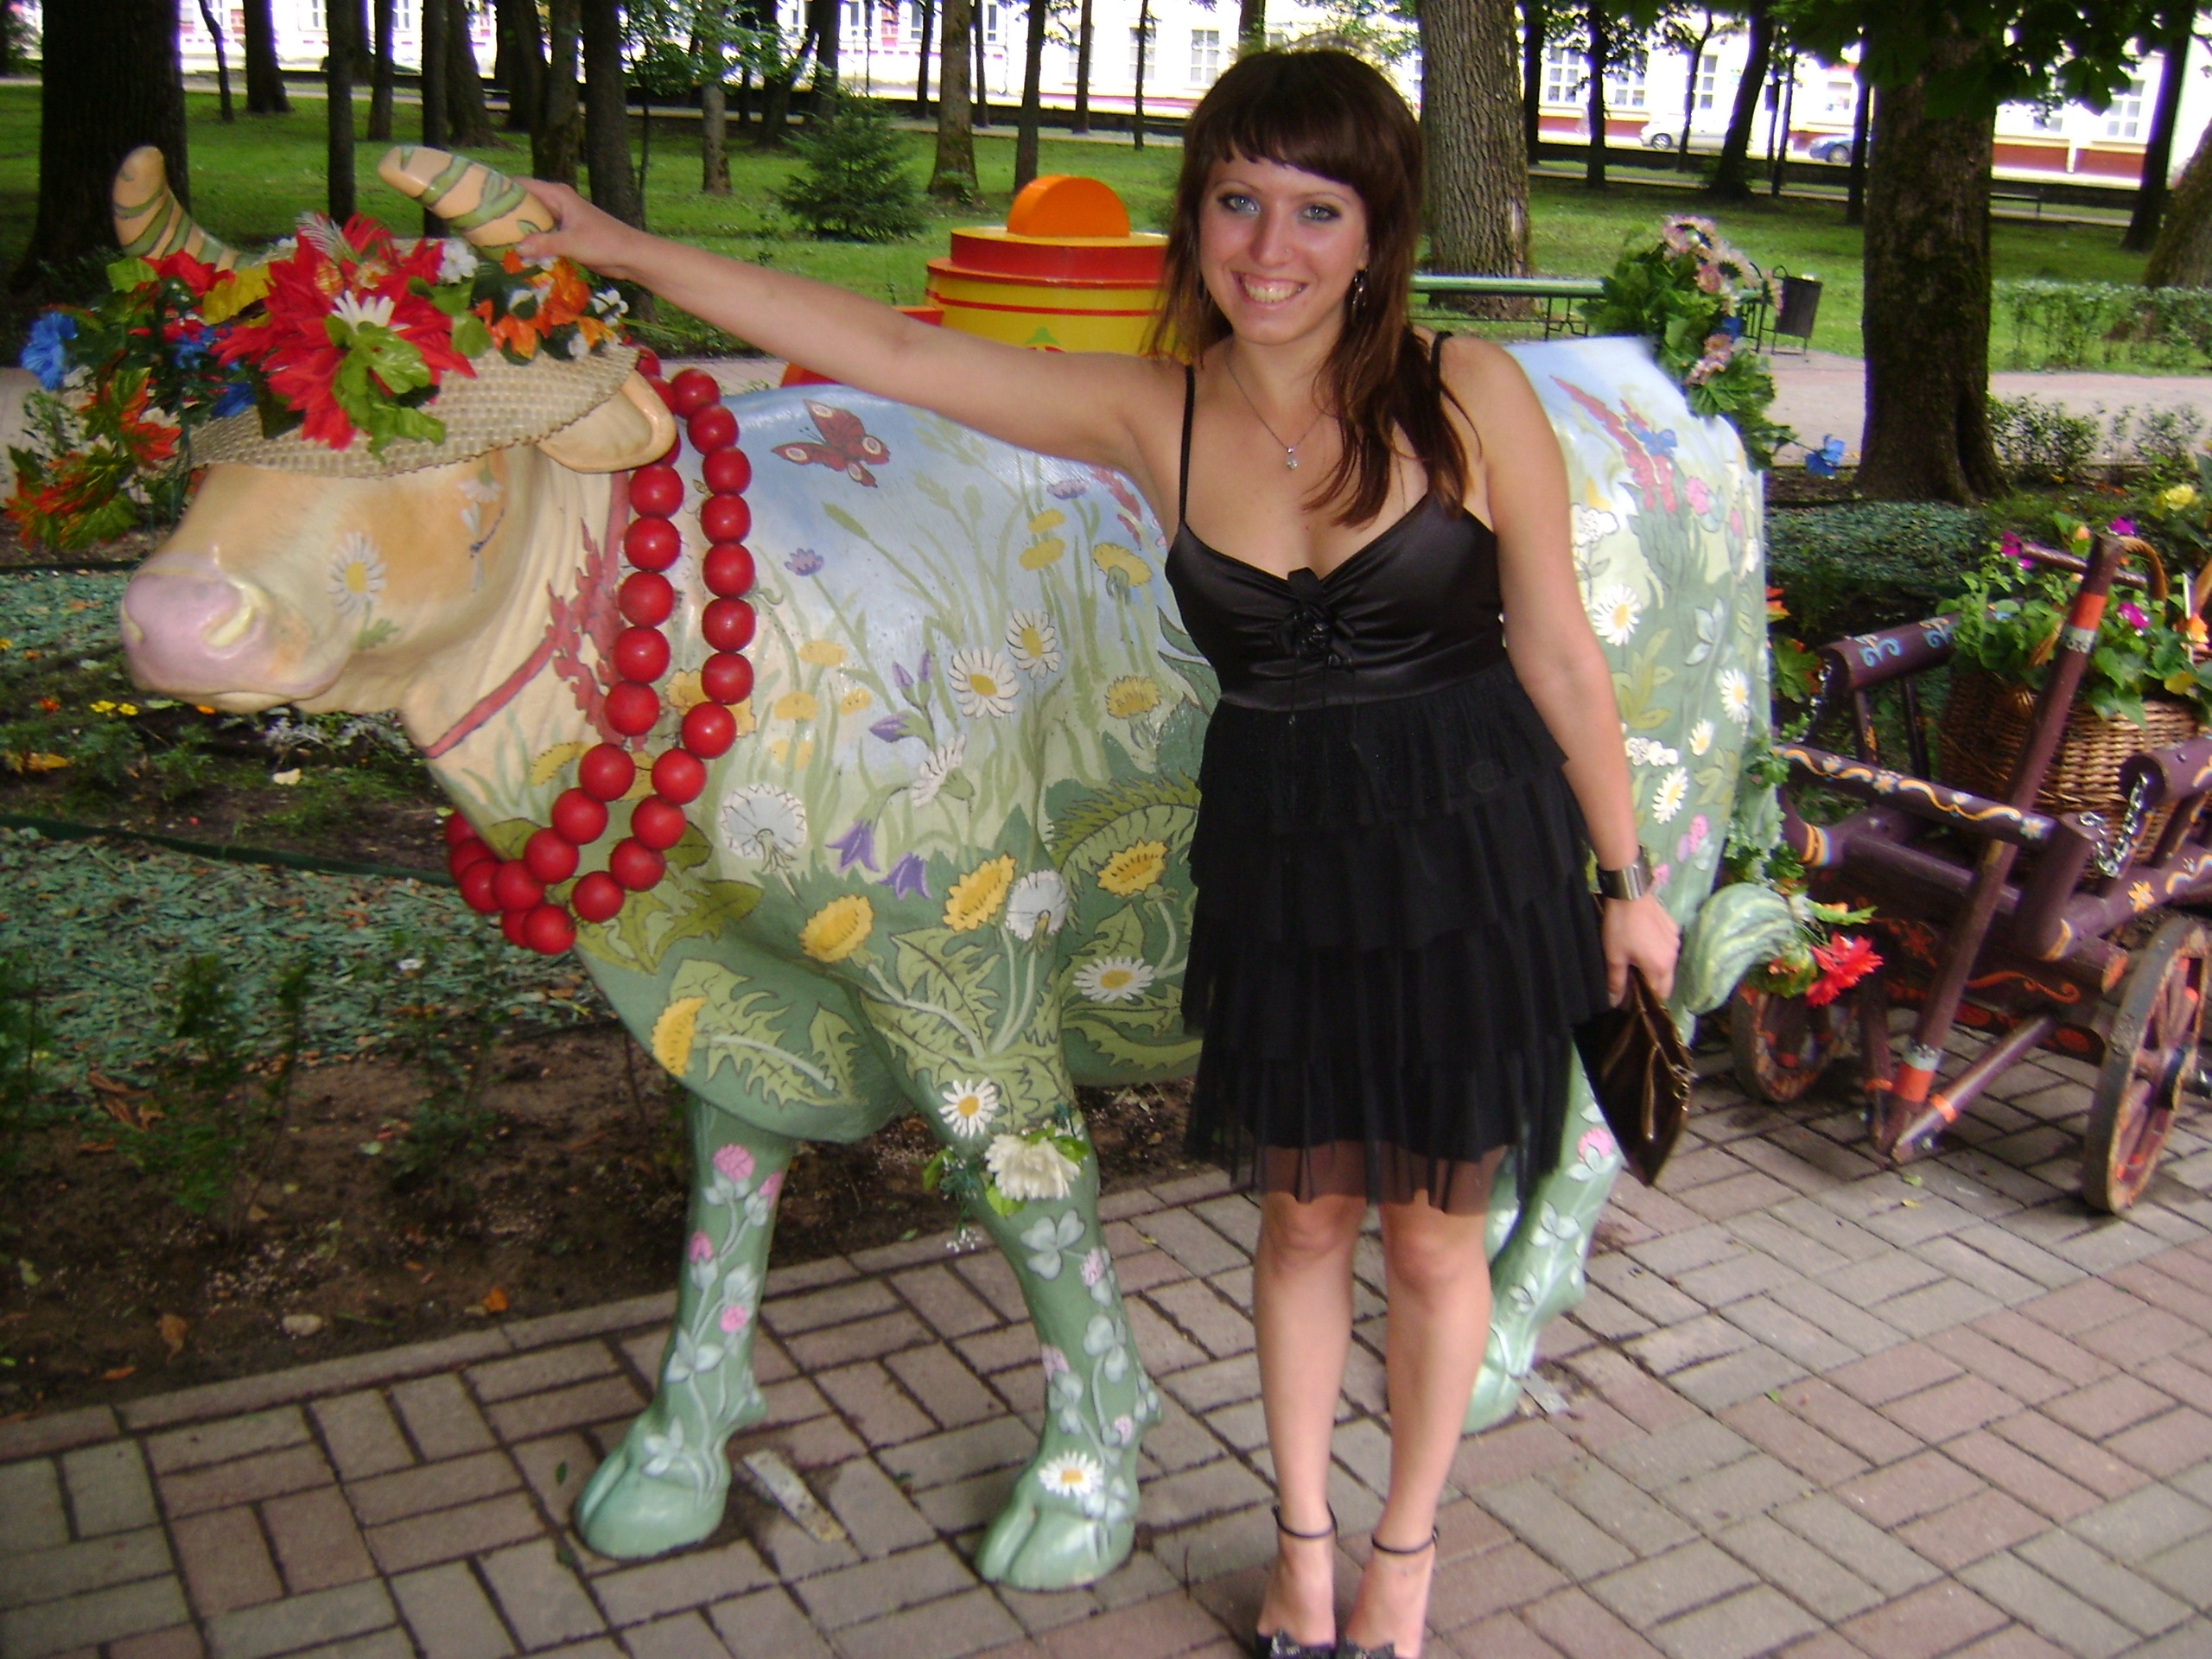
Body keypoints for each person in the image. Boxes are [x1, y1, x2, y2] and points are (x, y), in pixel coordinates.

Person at [522, 47, 1678, 1659]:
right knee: (1302, 1221)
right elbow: (889, 348)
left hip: (1469, 855)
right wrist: (620, 247)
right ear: (1196, 217)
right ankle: (1302, 1548)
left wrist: (1627, 886)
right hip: (1286, 861)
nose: (1270, 248)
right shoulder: (1156, 411)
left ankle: (1404, 1559)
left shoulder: (1466, 387)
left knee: (1431, 1235)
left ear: (1376, 232)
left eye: (1317, 210)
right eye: (1238, 201)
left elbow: (1557, 652)